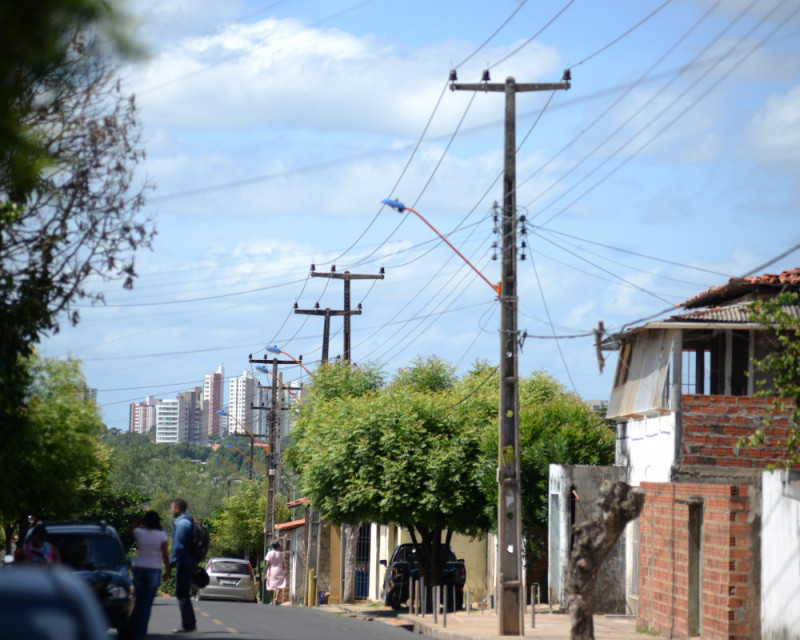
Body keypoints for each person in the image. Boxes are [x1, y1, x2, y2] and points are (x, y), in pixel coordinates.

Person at [131, 511, 170, 640]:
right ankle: (140, 634)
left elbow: (132, 528)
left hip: (139, 568)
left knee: (137, 602)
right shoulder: (161, 535)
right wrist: (168, 571)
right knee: (147, 604)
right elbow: (165, 555)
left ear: (146, 521)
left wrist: (142, 520)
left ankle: (134, 632)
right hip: (154, 570)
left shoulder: (140, 533)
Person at [170, 499, 196, 633]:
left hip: (184, 562)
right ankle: (190, 623)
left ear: (178, 508)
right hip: (188, 561)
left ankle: (188, 625)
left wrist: (171, 562)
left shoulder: (182, 523)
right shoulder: (189, 521)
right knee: (183, 593)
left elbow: (178, 545)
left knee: (182, 594)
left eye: (172, 508)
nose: (171, 511)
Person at [264, 540, 286, 606]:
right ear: (278, 546)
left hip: (271, 571)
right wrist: (283, 568)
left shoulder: (269, 553)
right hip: (279, 570)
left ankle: (271, 601)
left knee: (271, 585)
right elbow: (283, 563)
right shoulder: (280, 553)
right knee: (279, 585)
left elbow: (267, 563)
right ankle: (276, 598)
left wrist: (265, 572)